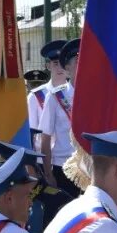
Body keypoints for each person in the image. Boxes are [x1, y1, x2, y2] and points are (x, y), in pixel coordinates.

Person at [38, 39, 79, 197]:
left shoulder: (97, 95)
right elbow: (45, 138)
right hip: (63, 168)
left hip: (91, 168)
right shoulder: (55, 97)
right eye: (77, 61)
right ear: (67, 68)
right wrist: (48, 174)